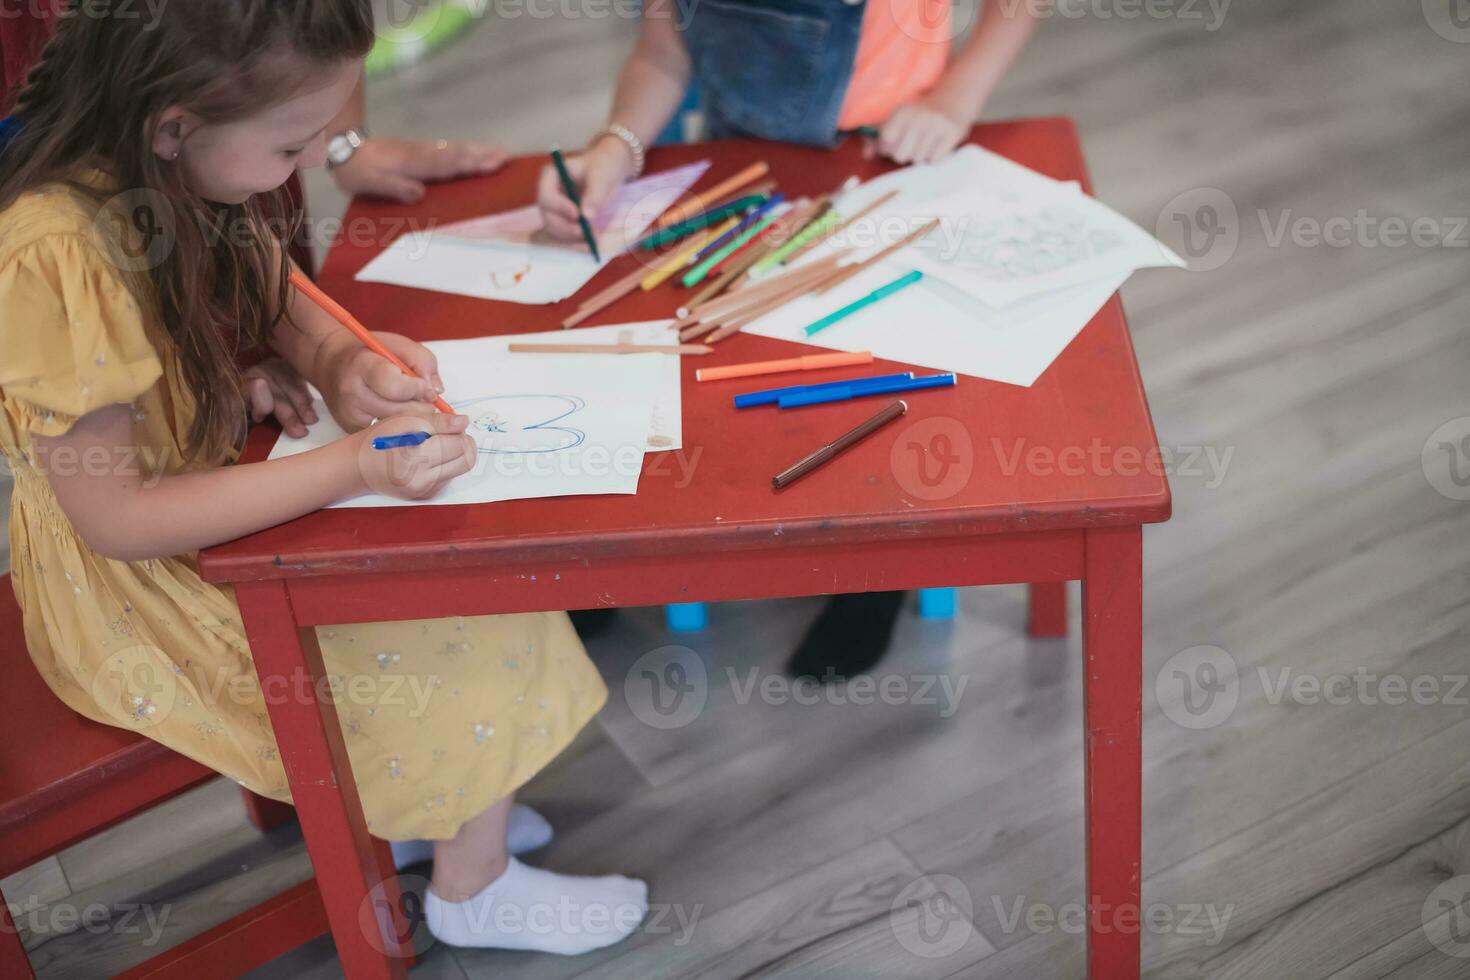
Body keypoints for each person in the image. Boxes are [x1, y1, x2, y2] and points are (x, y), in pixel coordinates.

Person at [0, 1, 645, 955]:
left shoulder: (166, 166)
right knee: (449, 616)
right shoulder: (51, 251)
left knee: (457, 564)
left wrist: (346, 366)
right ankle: (476, 882)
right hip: (139, 587)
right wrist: (350, 465)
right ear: (174, 125)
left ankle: (450, 806)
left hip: (208, 494)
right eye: (293, 144)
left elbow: (268, 291)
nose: (309, 167)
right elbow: (119, 517)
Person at [540, 0, 1039, 680]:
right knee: (699, 363)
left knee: (863, 381)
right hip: (739, 157)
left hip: (889, 158)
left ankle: (875, 570)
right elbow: (663, 52)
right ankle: (636, 556)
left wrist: (954, 100)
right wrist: (617, 146)